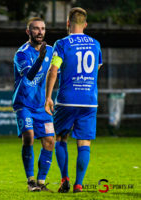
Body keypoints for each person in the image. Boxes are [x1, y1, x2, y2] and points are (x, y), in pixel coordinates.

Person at [45, 7, 103, 193]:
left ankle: (64, 179)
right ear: (85, 24)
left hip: (67, 99)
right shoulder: (95, 44)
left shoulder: (62, 44)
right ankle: (79, 184)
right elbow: (96, 67)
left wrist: (47, 97)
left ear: (68, 23)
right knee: (84, 142)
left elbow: (53, 70)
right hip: (89, 100)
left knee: (60, 137)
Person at [13, 17, 55, 192]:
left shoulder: (50, 51)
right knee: (29, 136)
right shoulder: (21, 53)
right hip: (23, 103)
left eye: (43, 29)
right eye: (36, 29)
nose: (40, 32)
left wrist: (49, 98)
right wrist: (40, 59)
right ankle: (30, 181)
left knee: (50, 141)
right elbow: (29, 76)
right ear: (28, 32)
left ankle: (41, 182)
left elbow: (52, 74)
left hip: (41, 105)